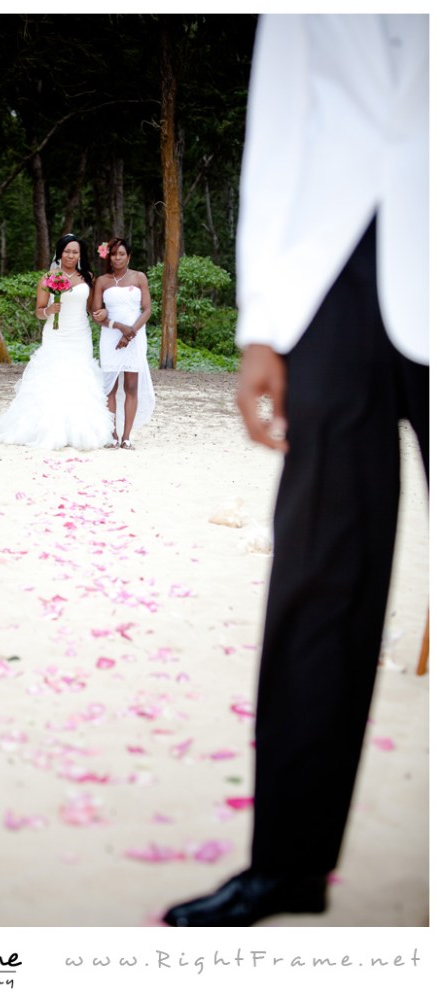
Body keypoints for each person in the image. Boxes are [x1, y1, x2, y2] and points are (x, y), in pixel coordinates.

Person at [163, 13, 429, 927]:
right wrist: (258, 325)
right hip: (332, 281)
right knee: (318, 574)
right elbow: (279, 127)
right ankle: (285, 865)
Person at [0, 234, 114, 451]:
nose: (70, 255)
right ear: (60, 253)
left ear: (80, 254)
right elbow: (38, 312)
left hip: (80, 335)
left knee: (78, 378)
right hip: (56, 334)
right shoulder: (48, 277)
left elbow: (90, 307)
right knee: (54, 377)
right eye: (67, 251)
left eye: (75, 252)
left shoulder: (87, 276)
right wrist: (49, 310)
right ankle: (50, 430)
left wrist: (101, 312)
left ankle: (78, 430)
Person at [91, 237, 155, 449]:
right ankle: (112, 435)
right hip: (111, 336)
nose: (117, 258)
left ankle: (126, 437)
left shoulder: (139, 277)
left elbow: (147, 310)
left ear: (129, 256)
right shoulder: (102, 281)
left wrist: (130, 333)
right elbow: (96, 315)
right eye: (113, 254)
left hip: (135, 337)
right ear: (108, 256)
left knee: (131, 386)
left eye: (121, 254)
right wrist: (118, 327)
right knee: (110, 387)